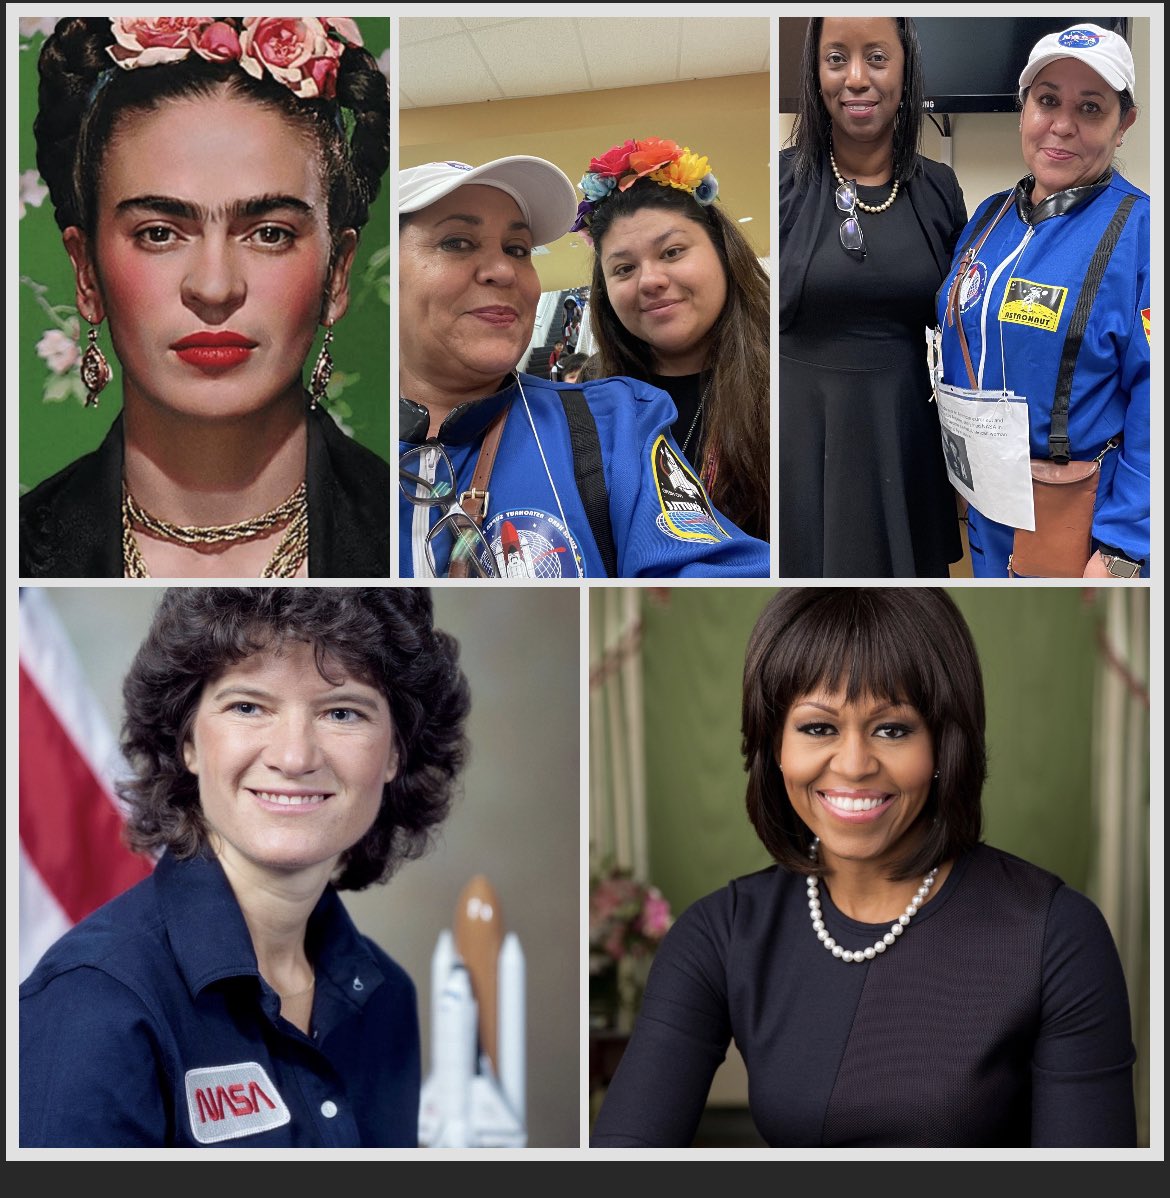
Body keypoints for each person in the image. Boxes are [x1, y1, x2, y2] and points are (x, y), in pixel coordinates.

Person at [591, 587, 1137, 1148]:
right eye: (818, 728)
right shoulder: (720, 935)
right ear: (773, 745)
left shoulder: (1057, 935)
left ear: (945, 745)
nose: (853, 765)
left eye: (893, 729)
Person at [20, 587, 470, 1148]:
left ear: (395, 754)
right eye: (248, 707)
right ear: (187, 741)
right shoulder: (96, 999)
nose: (295, 756)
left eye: (341, 712)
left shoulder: (386, 1001)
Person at [19, 18, 391, 578]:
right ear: (87, 273)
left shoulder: (416, 534)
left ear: (335, 273)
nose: (215, 288)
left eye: (269, 233)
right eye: (159, 233)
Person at [397, 156, 770, 579]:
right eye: (457, 242)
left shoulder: (617, 419)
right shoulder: (322, 452)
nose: (503, 270)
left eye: (517, 250)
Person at [934, 23, 1149, 579]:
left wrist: (1124, 548)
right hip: (982, 507)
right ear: (1023, 107)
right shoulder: (987, 219)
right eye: (1047, 100)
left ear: (1124, 123)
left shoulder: (1144, 234)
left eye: (1091, 108)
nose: (1062, 125)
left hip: (1075, 522)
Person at [779, 17, 966, 577]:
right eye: (837, 59)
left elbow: (964, 324)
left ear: (906, 72)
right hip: (801, 438)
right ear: (815, 75)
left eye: (877, 58)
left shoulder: (940, 189)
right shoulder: (783, 185)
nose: (856, 78)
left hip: (903, 432)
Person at [575, 137, 770, 542]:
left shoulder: (786, 370)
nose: (650, 281)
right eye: (624, 269)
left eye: (672, 252)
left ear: (722, 252)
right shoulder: (593, 393)